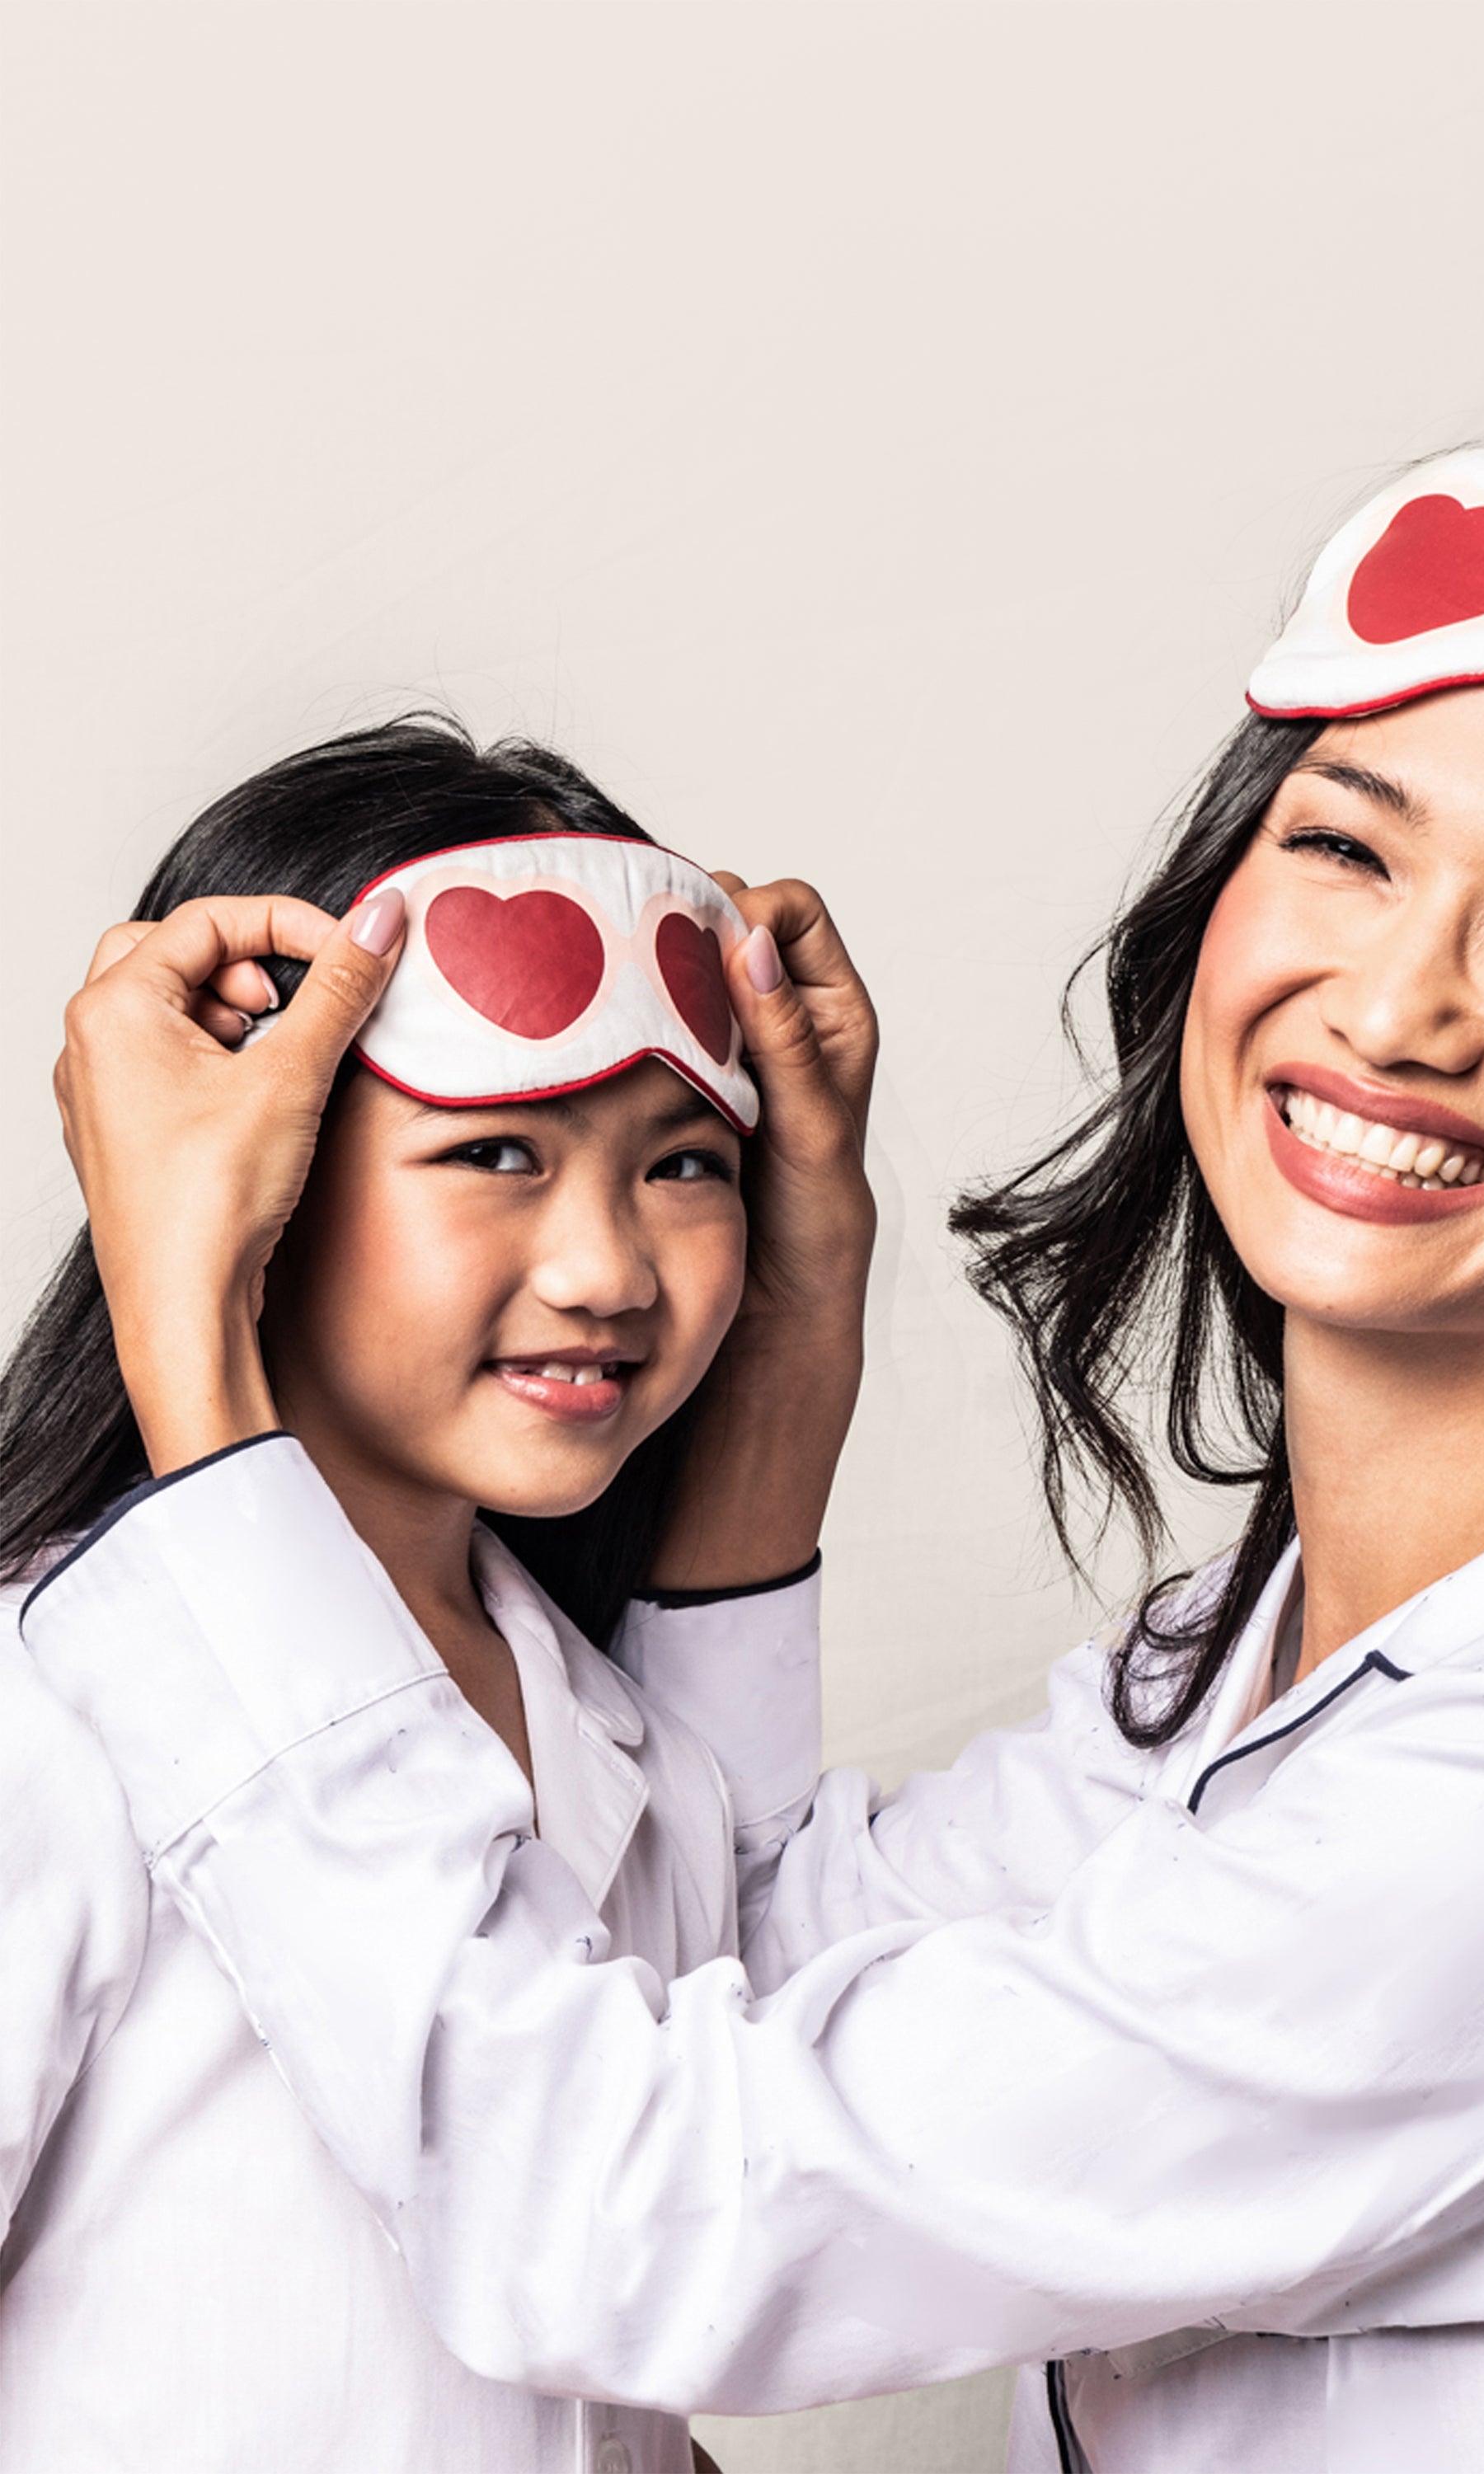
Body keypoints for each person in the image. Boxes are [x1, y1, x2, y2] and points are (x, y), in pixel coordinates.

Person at [25, 448, 1484, 2473]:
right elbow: (721, 1956)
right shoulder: (1293, 1655)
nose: (1399, 1007)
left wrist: (199, 1369)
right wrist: (791, 1316)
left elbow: (630, 2204)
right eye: (1344, 847)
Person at [0, 719, 873, 2474]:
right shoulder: (51, 1705)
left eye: (681, 1160)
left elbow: (584, 2353)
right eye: (497, 1153)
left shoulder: (615, 1728)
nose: (607, 1266)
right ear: (257, 1166)